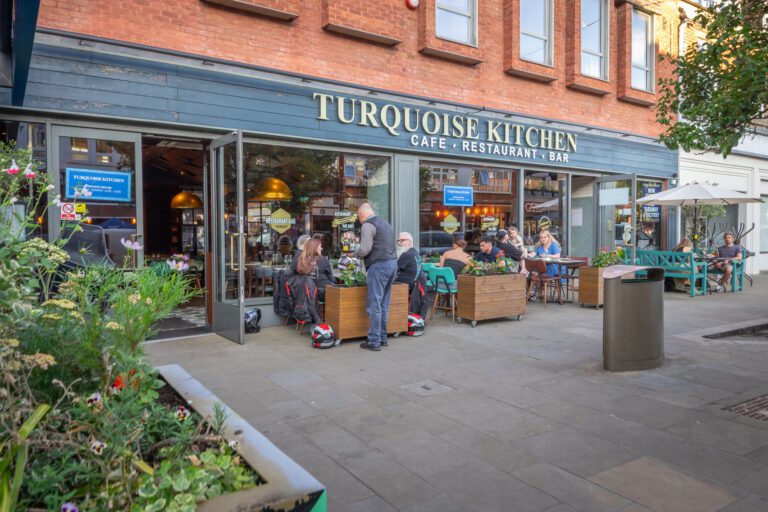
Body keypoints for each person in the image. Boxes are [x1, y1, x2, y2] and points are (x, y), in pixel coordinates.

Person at [354, 203, 397, 352]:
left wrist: (355, 253)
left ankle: (373, 341)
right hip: (392, 264)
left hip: (379, 266)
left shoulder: (367, 225)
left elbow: (365, 249)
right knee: (384, 303)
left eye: (359, 217)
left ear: (362, 215)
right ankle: (383, 337)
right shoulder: (386, 224)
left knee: (374, 304)